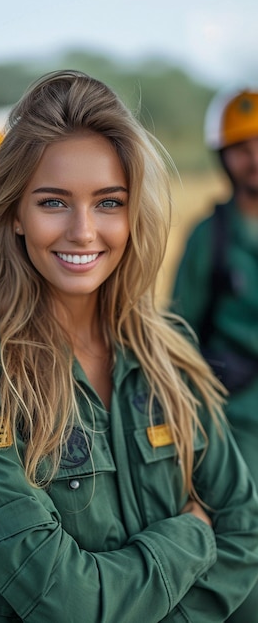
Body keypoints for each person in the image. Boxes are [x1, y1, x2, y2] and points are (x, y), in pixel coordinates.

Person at [0, 70, 258, 623]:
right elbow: (64, 600)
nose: (83, 231)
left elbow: (245, 529)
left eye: (108, 203)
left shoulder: (170, 355)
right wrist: (191, 536)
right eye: (54, 202)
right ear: (15, 213)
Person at [172, 88, 258, 621]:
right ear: (222, 156)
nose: (254, 156)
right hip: (237, 426)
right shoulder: (211, 237)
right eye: (241, 146)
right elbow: (178, 337)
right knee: (244, 566)